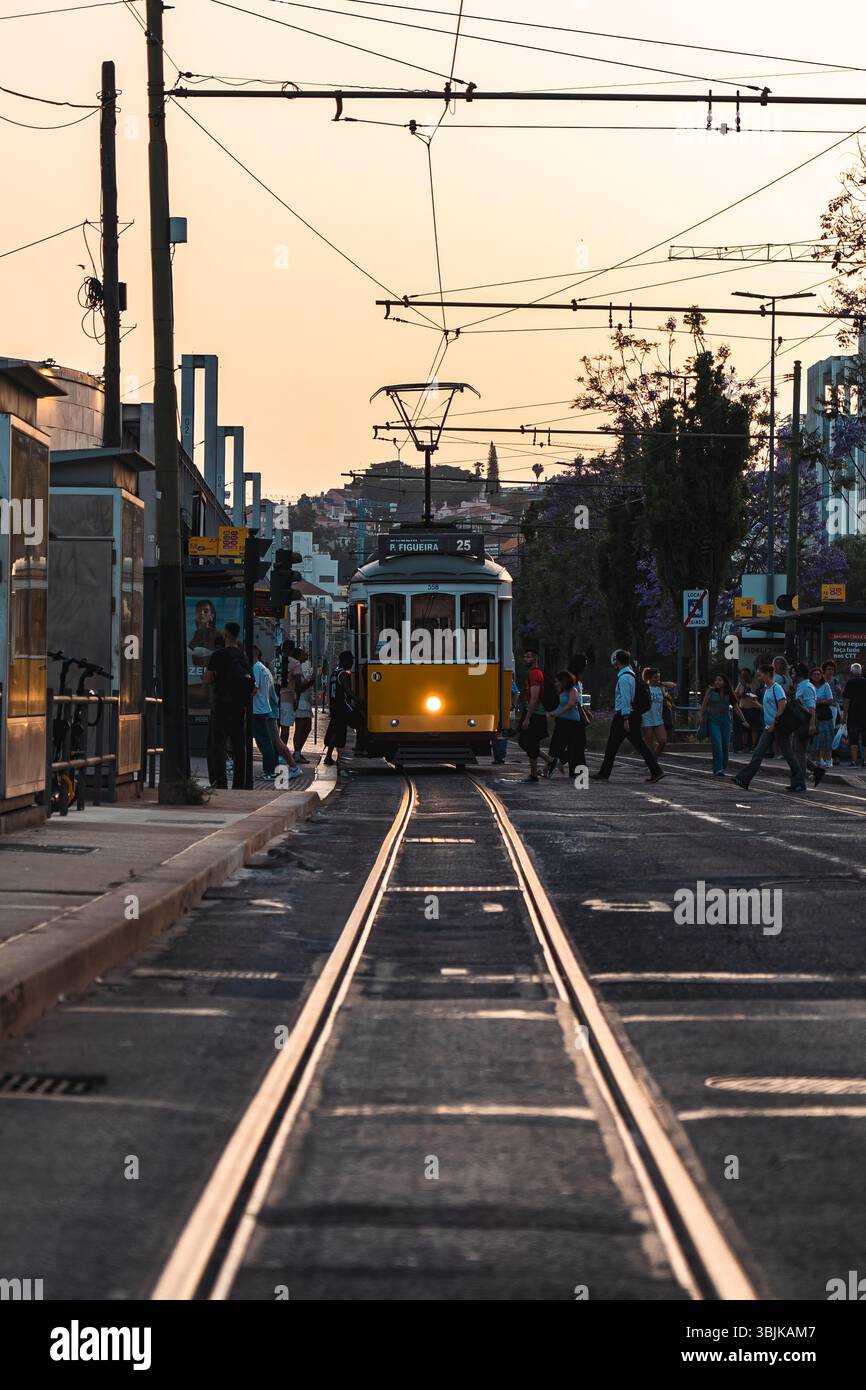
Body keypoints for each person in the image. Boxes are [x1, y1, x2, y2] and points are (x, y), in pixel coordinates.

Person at [733, 661, 805, 793]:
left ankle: (799, 782)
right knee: (758, 753)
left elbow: (782, 705)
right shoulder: (767, 689)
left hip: (777, 727)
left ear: (767, 675)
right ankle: (743, 779)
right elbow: (771, 707)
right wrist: (759, 706)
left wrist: (774, 722)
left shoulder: (776, 688)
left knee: (788, 755)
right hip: (769, 727)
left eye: (760, 675)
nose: (759, 678)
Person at [593, 650, 663, 783]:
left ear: (618, 662)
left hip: (625, 716)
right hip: (633, 715)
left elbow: (626, 698)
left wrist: (625, 718)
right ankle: (656, 771)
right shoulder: (631, 675)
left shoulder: (624, 677)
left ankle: (604, 773)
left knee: (612, 745)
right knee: (638, 745)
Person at [203, 621, 250, 788]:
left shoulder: (219, 655)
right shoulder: (243, 656)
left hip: (221, 705)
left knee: (218, 745)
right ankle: (239, 784)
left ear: (225, 635)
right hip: (238, 707)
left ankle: (220, 782)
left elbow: (207, 678)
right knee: (238, 746)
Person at [700, 673, 748, 776]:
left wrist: (743, 720)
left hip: (725, 721)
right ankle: (718, 769)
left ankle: (723, 767)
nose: (717, 682)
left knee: (725, 745)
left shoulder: (729, 693)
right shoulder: (710, 691)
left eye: (720, 680)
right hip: (713, 720)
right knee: (717, 744)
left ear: (725, 683)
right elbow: (704, 705)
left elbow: (736, 708)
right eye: (716, 680)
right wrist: (701, 718)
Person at [545, 667, 587, 780]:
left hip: (572, 723)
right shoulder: (561, 691)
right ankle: (548, 768)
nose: (556, 683)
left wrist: (557, 713)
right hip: (561, 722)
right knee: (555, 746)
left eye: (558, 681)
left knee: (573, 748)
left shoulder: (574, 690)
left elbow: (570, 704)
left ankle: (572, 772)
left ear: (564, 681)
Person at [517, 646, 549, 784]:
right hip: (532, 712)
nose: (525, 659)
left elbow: (535, 698)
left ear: (535, 657)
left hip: (535, 713)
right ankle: (549, 761)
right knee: (526, 742)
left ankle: (534, 774)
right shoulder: (532, 673)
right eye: (525, 656)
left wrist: (527, 718)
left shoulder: (535, 674)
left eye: (528, 656)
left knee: (529, 742)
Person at [324, 650, 355, 767]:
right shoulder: (343, 674)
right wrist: (360, 701)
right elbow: (348, 692)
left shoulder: (334, 673)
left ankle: (328, 756)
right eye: (350, 660)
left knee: (335, 731)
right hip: (342, 706)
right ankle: (361, 745)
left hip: (334, 706)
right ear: (344, 661)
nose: (351, 663)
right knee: (359, 722)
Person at [251, 646, 278, 780]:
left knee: (264, 742)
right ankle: (270, 769)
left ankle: (269, 771)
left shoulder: (255, 668)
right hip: (264, 708)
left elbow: (254, 689)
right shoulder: (264, 668)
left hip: (258, 710)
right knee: (266, 741)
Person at [791, 662, 817, 791]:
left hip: (805, 723)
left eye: (794, 672)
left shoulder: (806, 687)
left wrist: (812, 725)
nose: (792, 675)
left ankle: (800, 783)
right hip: (799, 723)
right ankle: (816, 770)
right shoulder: (800, 686)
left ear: (799, 674)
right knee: (795, 751)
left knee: (799, 753)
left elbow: (811, 707)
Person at [809, 664, 835, 786]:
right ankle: (819, 760)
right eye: (814, 674)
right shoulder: (809, 686)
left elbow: (830, 700)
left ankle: (828, 760)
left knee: (827, 736)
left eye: (818, 674)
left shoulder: (826, 686)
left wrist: (818, 702)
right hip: (813, 715)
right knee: (817, 738)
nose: (817, 676)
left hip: (824, 714)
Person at [292, 646, 315, 762]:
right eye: (303, 654)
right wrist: (310, 682)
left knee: (307, 727)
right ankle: (296, 753)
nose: (305, 655)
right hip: (300, 700)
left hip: (306, 701)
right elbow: (299, 687)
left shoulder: (305, 666)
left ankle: (298, 751)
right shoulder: (297, 667)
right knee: (300, 728)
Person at [843, 661, 866, 769]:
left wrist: (844, 715)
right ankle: (865, 761)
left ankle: (854, 761)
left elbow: (847, 700)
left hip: (853, 715)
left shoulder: (850, 683)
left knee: (854, 738)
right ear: (860, 672)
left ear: (852, 672)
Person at [641, 667, 667, 759]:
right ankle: (651, 765)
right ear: (649, 678)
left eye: (659, 677)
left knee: (663, 740)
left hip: (658, 719)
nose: (658, 679)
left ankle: (653, 761)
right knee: (649, 746)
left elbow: (665, 700)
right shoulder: (645, 688)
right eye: (655, 677)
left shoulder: (661, 688)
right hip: (646, 719)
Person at [734, 668, 763, 752]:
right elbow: (735, 694)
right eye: (743, 676)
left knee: (754, 728)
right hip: (743, 708)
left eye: (746, 676)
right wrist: (741, 694)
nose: (745, 678)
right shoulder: (741, 684)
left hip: (753, 708)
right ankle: (745, 746)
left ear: (750, 675)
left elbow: (759, 694)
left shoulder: (756, 682)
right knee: (744, 729)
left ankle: (754, 746)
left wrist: (749, 694)